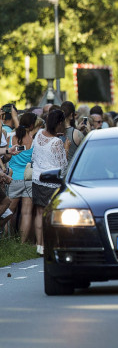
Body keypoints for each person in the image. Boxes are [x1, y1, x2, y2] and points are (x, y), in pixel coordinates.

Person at [31, 109, 69, 255]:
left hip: (36, 178)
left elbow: (34, 155)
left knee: (39, 213)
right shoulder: (57, 143)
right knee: (52, 214)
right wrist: (66, 149)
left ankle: (39, 246)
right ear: (59, 123)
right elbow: (63, 166)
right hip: (51, 182)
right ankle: (51, 244)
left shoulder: (39, 133)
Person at [7, 113, 41, 242]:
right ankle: (22, 243)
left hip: (12, 178)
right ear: (32, 125)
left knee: (9, 211)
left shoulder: (10, 137)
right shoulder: (33, 140)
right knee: (26, 213)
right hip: (28, 179)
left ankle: (7, 240)